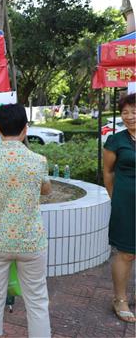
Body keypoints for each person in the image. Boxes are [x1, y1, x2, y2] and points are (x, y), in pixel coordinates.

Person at [0, 103, 52, 338]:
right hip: (30, 241)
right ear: (25, 129)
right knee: (37, 299)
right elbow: (46, 190)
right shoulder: (38, 160)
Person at [103, 93, 136, 324]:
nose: (129, 116)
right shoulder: (115, 141)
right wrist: (115, 197)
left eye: (134, 111)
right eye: (125, 112)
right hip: (126, 202)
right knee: (126, 252)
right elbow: (108, 173)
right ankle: (120, 299)